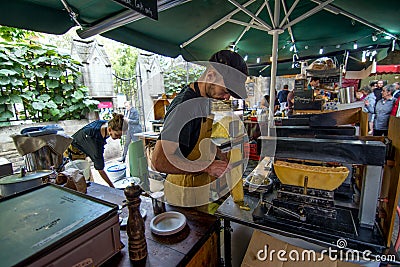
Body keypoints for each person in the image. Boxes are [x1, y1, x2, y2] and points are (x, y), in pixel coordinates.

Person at [151, 50, 248, 210]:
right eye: (225, 91)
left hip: (199, 189)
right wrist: (208, 167)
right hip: (183, 193)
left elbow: (198, 139)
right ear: (210, 75)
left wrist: (218, 153)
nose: (227, 98)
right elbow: (159, 161)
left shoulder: (205, 100)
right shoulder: (184, 107)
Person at [66, 113, 127, 187]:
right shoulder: (95, 141)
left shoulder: (105, 124)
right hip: (74, 151)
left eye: (120, 135)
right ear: (110, 129)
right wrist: (112, 186)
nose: (119, 138)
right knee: (81, 180)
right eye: (117, 135)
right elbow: (100, 169)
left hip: (81, 144)